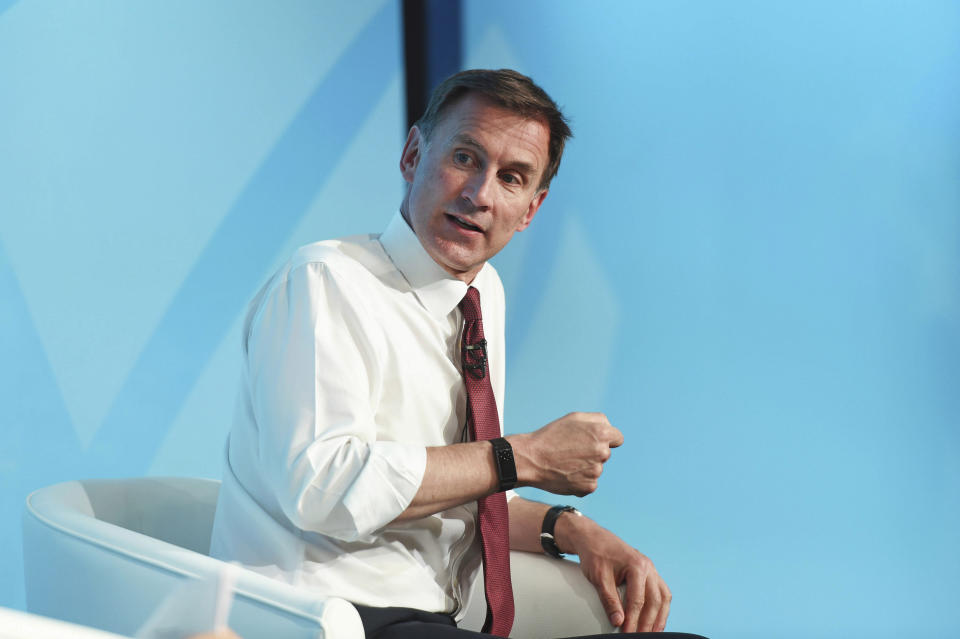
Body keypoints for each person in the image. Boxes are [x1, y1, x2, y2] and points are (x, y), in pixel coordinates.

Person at [211, 69, 706, 639]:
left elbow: (466, 496)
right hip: (323, 614)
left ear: (531, 210)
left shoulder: (480, 294)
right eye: (466, 158)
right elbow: (321, 490)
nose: (480, 195)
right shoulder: (326, 281)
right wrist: (525, 456)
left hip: (434, 620)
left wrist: (571, 531)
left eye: (512, 178)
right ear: (412, 155)